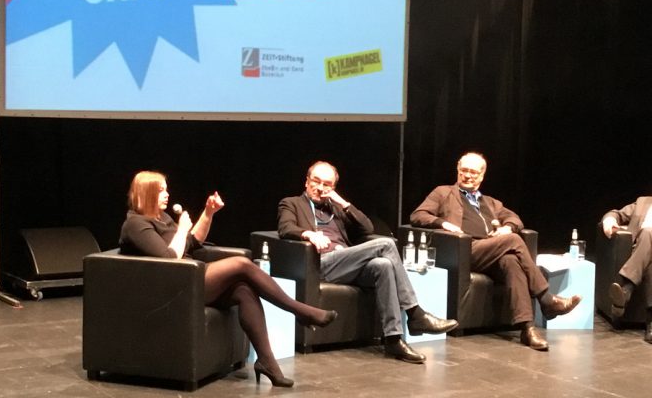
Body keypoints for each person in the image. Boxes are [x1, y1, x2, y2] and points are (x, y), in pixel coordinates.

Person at [119, 171, 338, 388]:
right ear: (146, 193)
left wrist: (208, 213)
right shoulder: (135, 224)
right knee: (241, 264)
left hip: (188, 278)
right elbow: (169, 259)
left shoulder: (163, 218)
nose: (167, 194)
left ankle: (267, 362)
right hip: (172, 288)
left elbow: (193, 242)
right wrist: (182, 229)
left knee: (244, 291)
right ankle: (301, 311)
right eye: (160, 191)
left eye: (166, 189)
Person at [277, 161, 459, 364]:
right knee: (387, 244)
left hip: (347, 262)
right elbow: (285, 228)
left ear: (333, 188)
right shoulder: (291, 203)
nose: (320, 188)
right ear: (306, 181)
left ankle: (393, 339)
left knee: (383, 265)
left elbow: (367, 228)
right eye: (316, 181)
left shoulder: (336, 208)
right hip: (319, 263)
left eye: (326, 184)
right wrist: (308, 234)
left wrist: (343, 203)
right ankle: (415, 314)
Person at [410, 152, 582, 351]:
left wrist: (507, 227)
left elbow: (515, 219)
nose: (468, 175)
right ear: (457, 169)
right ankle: (546, 299)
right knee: (513, 240)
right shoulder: (443, 193)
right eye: (464, 170)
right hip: (464, 250)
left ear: (482, 175)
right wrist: (443, 223)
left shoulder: (490, 203)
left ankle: (527, 329)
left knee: (511, 261)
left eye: (473, 172)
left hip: (491, 250)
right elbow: (418, 215)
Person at [601, 196, 652, 343]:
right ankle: (651, 323)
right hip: (639, 251)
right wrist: (609, 220)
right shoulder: (643, 202)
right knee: (648, 241)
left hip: (642, 255)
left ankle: (626, 290)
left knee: (648, 233)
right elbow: (616, 213)